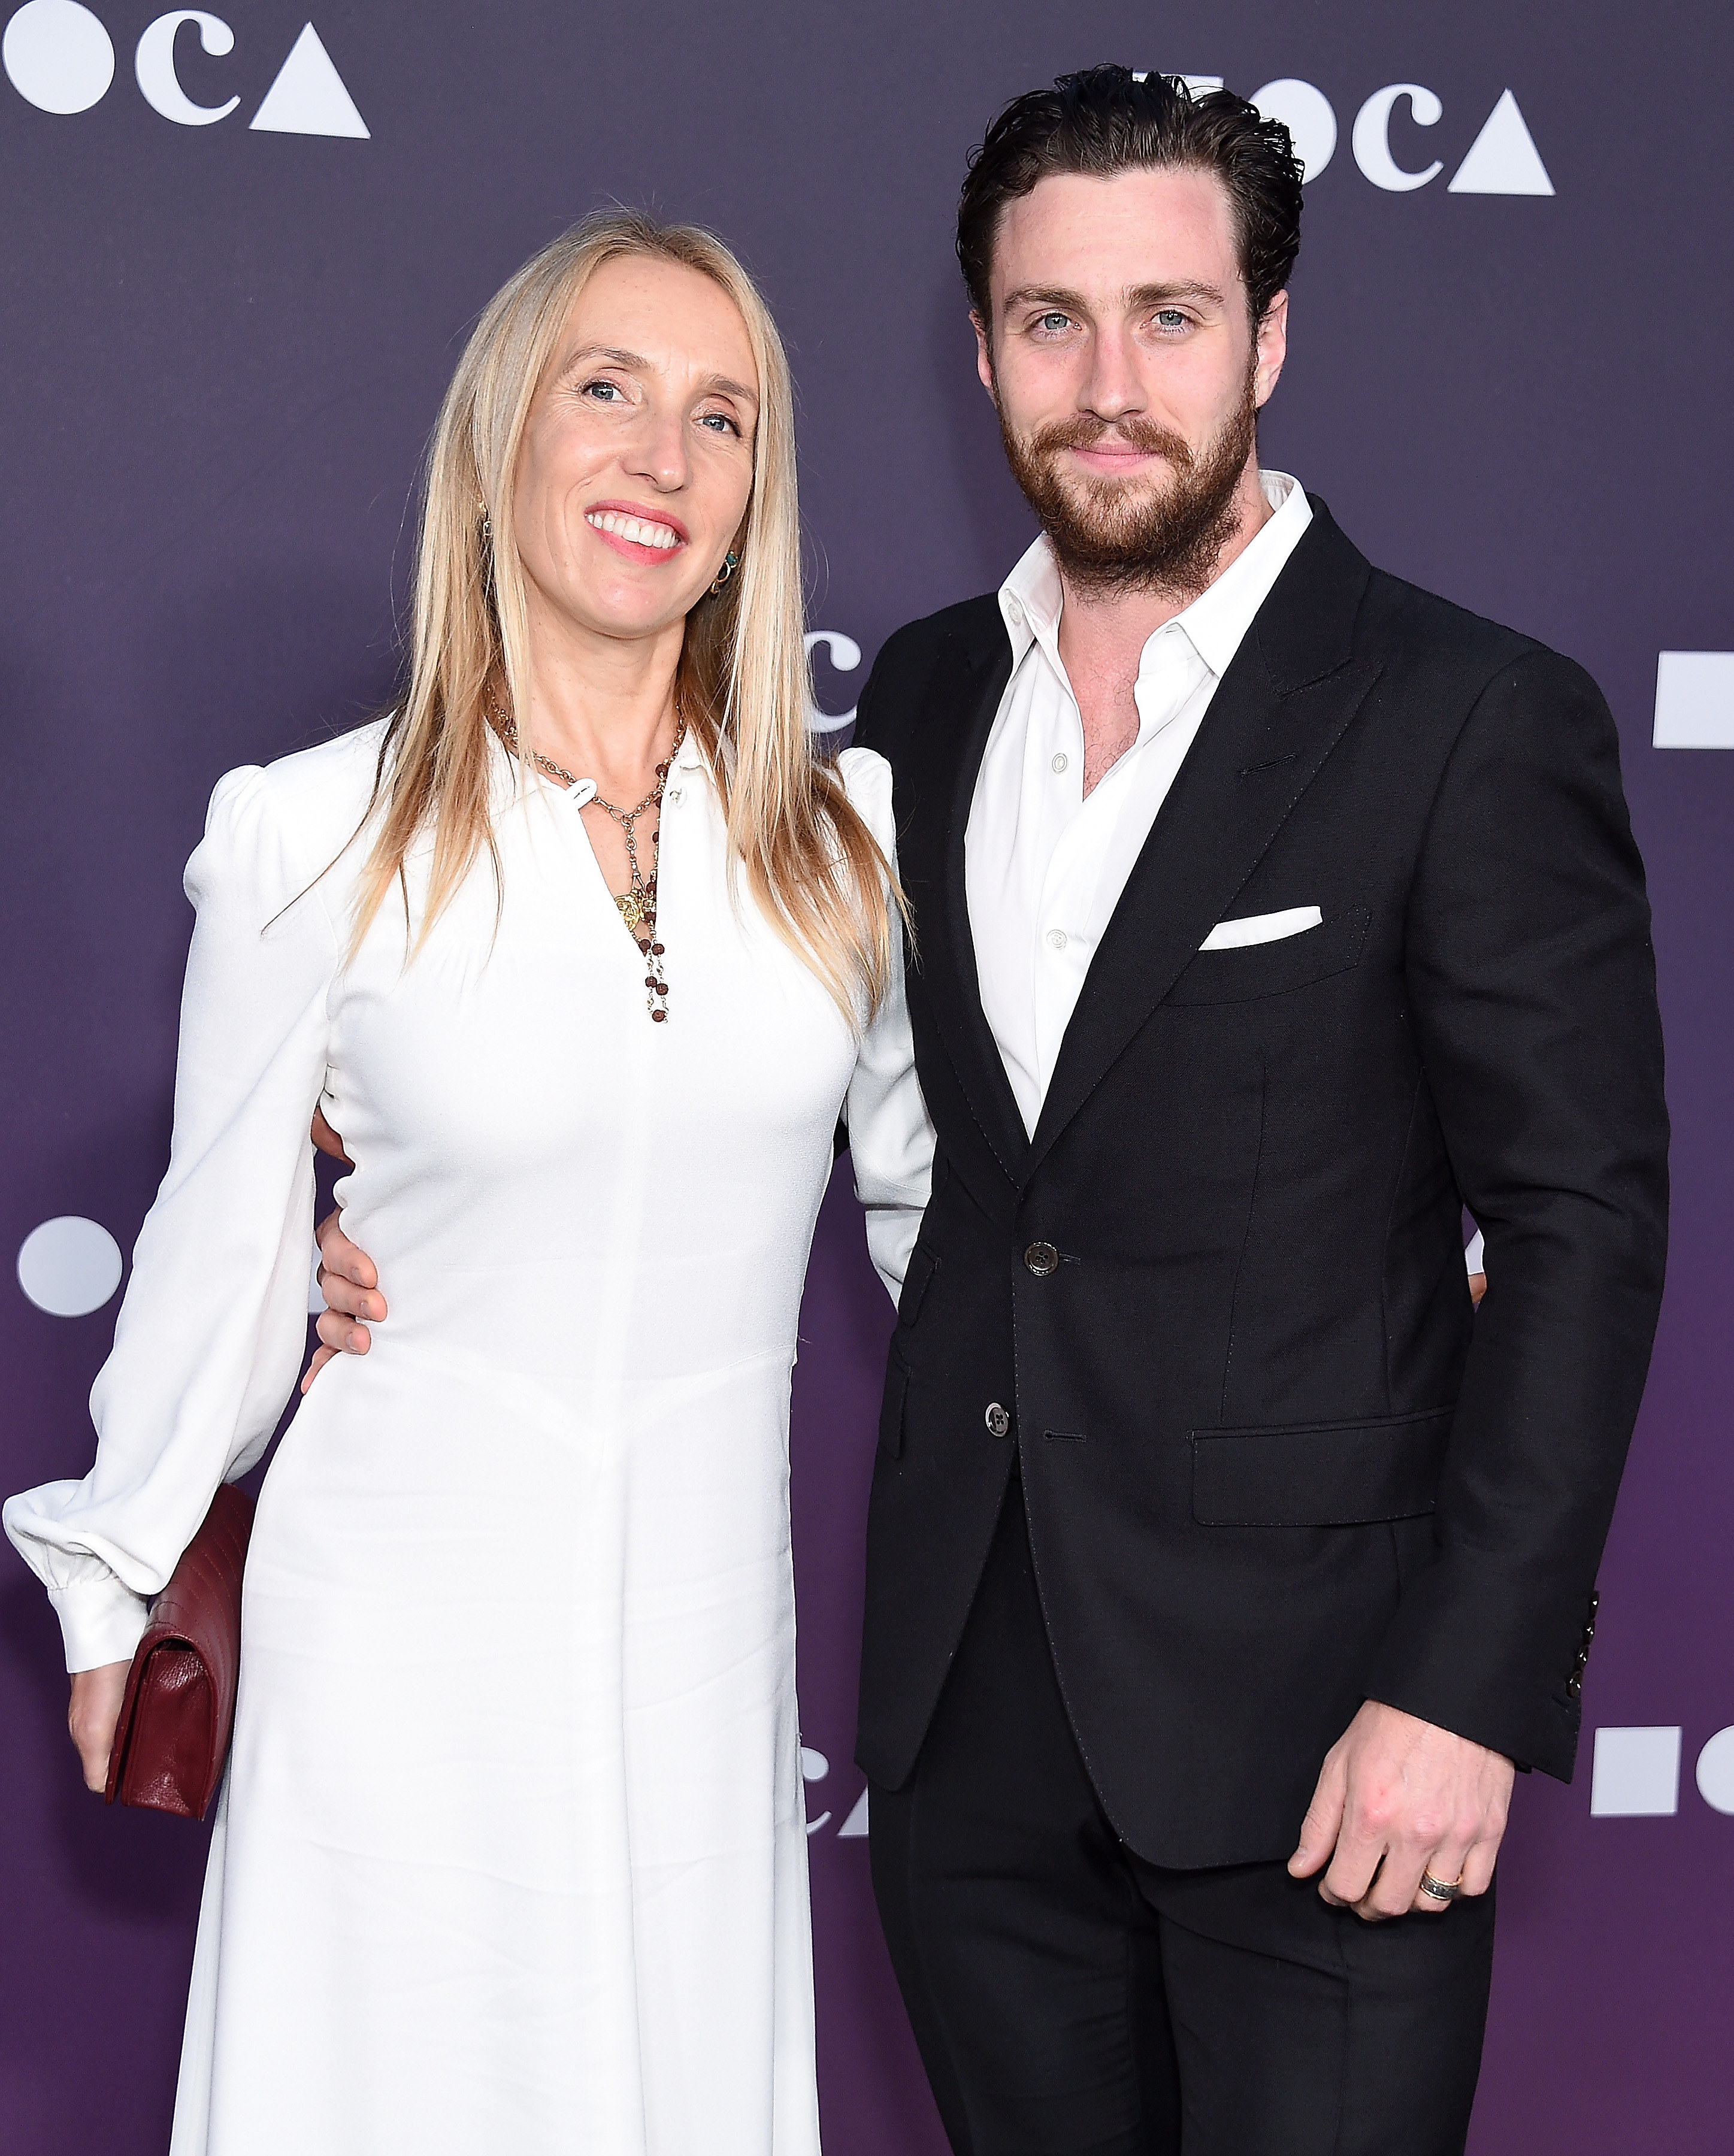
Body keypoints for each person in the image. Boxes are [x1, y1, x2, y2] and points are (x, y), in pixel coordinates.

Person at [305, 68, 1668, 2156]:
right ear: (982, 349)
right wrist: (371, 1225)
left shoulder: (1466, 717)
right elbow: (740, 1084)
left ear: (1270, 339)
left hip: (1331, 1746)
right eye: (1052, 321)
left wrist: (1469, 1690)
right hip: (970, 1748)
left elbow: (1580, 1229)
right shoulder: (911, 716)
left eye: (1172, 317)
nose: (1110, 385)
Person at [4, 210, 930, 2156]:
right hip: (395, 1643)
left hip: (704, 1642)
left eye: (721, 418)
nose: (660, 461)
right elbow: (224, 1242)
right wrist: (116, 1577)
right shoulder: (311, 829)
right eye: (607, 391)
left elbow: (946, 1221)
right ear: (501, 435)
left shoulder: (846, 838)